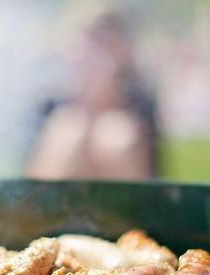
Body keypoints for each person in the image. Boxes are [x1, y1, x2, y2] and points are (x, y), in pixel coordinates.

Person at [26, 12, 160, 180]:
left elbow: (152, 177)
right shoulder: (50, 104)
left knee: (115, 136)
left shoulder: (139, 104)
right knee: (68, 133)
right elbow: (31, 179)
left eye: (106, 47)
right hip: (57, 200)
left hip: (124, 199)